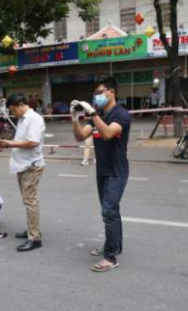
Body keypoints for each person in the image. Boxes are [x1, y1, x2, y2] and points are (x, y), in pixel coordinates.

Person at [71, 76, 130, 273]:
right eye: (95, 93)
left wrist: (94, 113)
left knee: (109, 212)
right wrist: (74, 118)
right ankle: (113, 246)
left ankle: (111, 257)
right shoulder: (99, 117)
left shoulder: (121, 114)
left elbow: (108, 134)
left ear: (111, 92)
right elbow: (81, 136)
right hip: (102, 170)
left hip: (117, 171)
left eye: (100, 92)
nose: (97, 96)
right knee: (111, 211)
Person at [0, 93, 45, 252]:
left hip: (31, 165)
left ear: (20, 105)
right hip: (23, 165)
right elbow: (22, 140)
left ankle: (34, 237)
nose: (13, 114)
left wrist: (10, 143)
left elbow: (32, 142)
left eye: (13, 110)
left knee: (30, 201)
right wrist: (7, 143)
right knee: (28, 200)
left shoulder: (34, 119)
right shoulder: (23, 119)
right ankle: (32, 229)